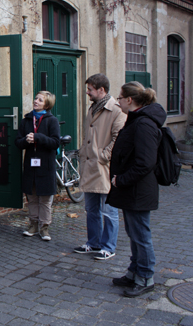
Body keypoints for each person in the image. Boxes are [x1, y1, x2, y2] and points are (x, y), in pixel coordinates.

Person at [107, 82, 165, 297]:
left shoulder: (143, 124)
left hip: (138, 190)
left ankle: (146, 277)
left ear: (129, 100)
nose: (118, 101)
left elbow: (145, 163)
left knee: (141, 234)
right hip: (132, 190)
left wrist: (121, 180)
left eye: (120, 98)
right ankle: (134, 272)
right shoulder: (136, 120)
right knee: (134, 233)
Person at [74, 74, 126, 260]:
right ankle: (93, 243)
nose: (87, 92)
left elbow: (118, 139)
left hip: (104, 168)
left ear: (101, 90)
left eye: (90, 89)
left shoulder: (117, 111)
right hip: (90, 167)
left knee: (109, 211)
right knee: (91, 209)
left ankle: (108, 247)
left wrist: (103, 157)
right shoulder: (92, 109)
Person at [15, 91, 60, 241]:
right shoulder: (26, 120)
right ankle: (33, 224)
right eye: (36, 98)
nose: (36, 101)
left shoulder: (52, 120)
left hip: (45, 166)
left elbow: (55, 142)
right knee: (32, 197)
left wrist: (38, 138)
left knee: (45, 199)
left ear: (47, 104)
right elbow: (18, 142)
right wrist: (26, 141)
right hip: (30, 165)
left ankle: (44, 227)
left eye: (40, 100)